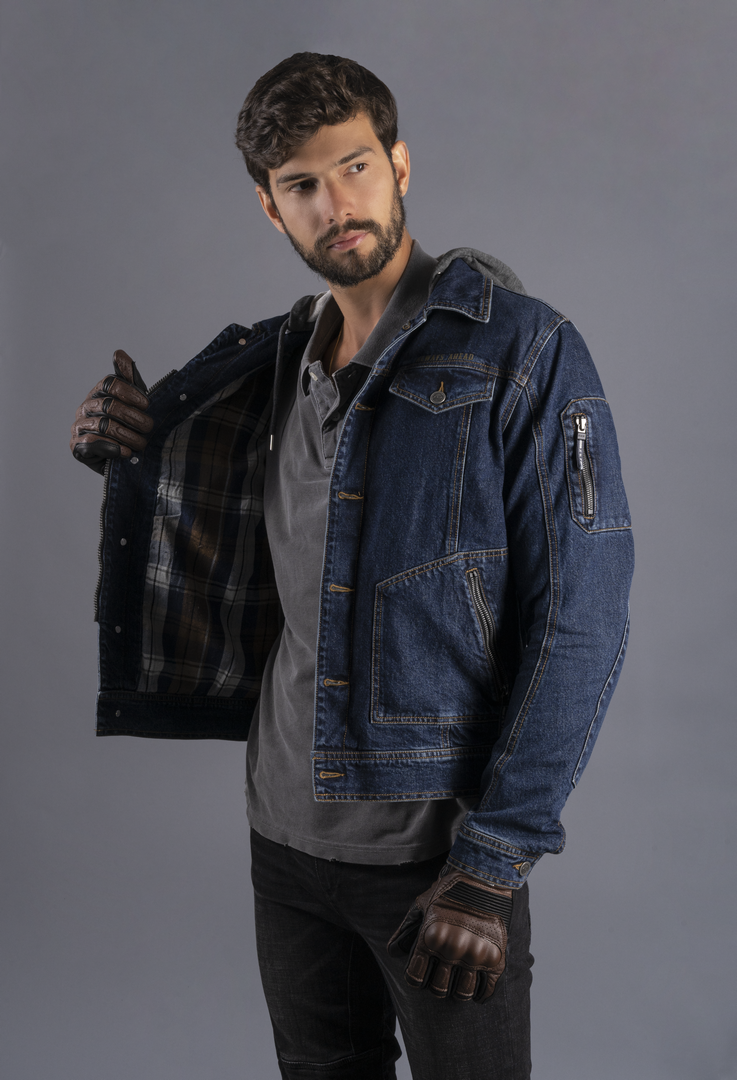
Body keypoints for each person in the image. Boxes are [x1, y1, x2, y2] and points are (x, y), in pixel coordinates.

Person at [69, 53, 634, 1080]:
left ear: (399, 163)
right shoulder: (276, 358)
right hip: (284, 837)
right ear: (268, 206)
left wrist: (491, 862)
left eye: (355, 167)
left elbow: (580, 620)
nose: (336, 205)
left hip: (430, 857)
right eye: (302, 185)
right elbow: (213, 513)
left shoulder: (523, 351)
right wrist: (129, 451)